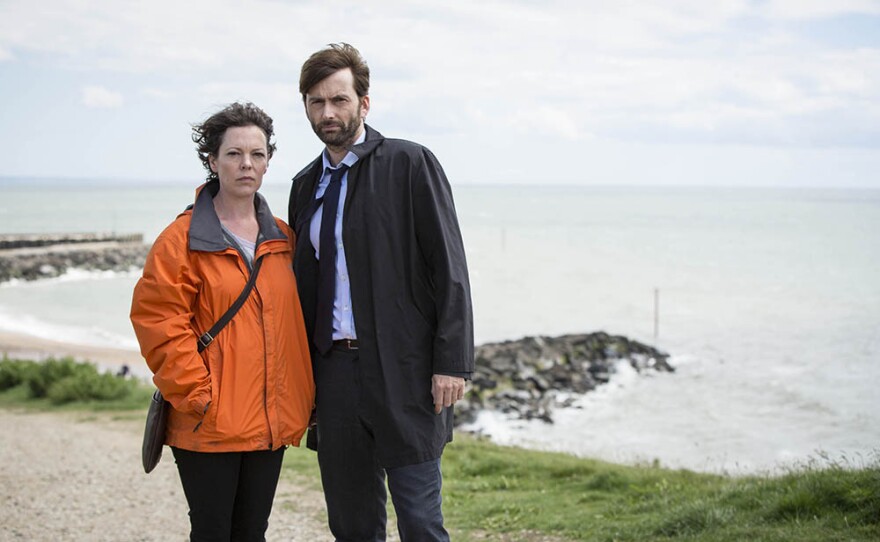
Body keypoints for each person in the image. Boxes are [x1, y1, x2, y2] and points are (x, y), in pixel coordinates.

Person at [288, 43, 474, 541]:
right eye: (316, 102)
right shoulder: (305, 185)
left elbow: (449, 267)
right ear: (305, 106)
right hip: (334, 377)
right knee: (351, 525)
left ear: (364, 103)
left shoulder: (411, 164)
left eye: (340, 100)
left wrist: (451, 361)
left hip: (406, 372)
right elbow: (302, 288)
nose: (328, 112)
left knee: (419, 521)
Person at [131, 102, 315, 541]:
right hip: (209, 420)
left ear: (268, 161)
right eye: (233, 154)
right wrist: (198, 394)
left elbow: (297, 323)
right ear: (213, 161)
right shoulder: (181, 240)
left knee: (252, 531)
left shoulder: (285, 239)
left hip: (270, 418)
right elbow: (158, 321)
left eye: (256, 154)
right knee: (213, 531)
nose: (246, 164)